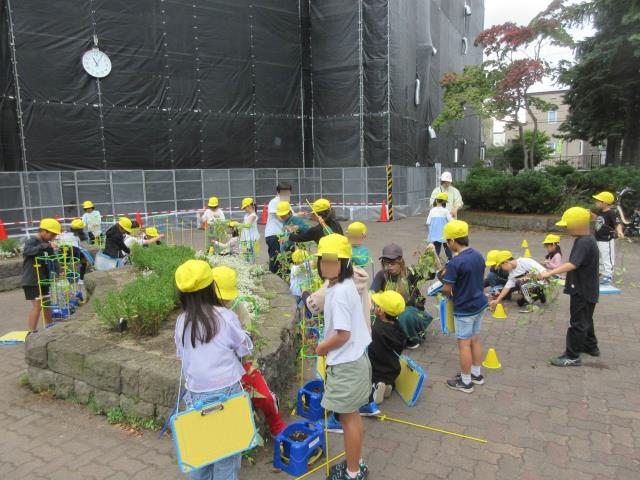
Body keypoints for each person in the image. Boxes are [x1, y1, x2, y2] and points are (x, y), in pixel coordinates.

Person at [174, 259, 253, 480]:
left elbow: (182, 355)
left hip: (196, 395)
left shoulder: (181, 321)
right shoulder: (225, 317)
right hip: (227, 393)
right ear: (212, 288)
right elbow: (243, 346)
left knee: (201, 453)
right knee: (226, 455)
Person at [314, 234, 371, 480]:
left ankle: (352, 473)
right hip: (358, 359)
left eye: (332, 261)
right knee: (353, 416)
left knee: (347, 420)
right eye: (323, 261)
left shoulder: (337, 294)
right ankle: (356, 463)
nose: (326, 266)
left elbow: (343, 334)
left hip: (346, 364)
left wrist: (322, 348)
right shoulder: (346, 285)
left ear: (345, 263)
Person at [210, 265, 287, 437]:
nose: (223, 302)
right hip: (217, 370)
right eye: (219, 298)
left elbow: (248, 337)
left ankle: (276, 423)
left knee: (264, 397)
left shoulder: (237, 307)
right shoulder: (203, 312)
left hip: (241, 363)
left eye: (226, 298)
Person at [539, 207, 600, 367]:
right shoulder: (587, 239)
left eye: (568, 225)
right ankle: (591, 347)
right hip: (588, 288)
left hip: (582, 289)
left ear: (577, 224)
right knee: (586, 318)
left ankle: (572, 356)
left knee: (578, 322)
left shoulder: (583, 242)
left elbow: (572, 264)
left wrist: (548, 273)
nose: (566, 228)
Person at [440, 220, 488, 393]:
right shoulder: (478, 255)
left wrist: (445, 294)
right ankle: (476, 374)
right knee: (475, 338)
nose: (447, 244)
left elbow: (447, 288)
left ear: (453, 241)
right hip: (480, 303)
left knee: (464, 344)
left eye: (447, 241)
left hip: (465, 308)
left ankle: (466, 382)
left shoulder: (455, 263)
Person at [370, 244, 431, 348]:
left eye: (393, 264)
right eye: (386, 264)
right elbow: (371, 291)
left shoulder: (410, 273)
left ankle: (413, 338)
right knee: (374, 313)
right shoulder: (382, 274)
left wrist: (431, 254)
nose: (389, 267)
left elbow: (432, 273)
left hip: (409, 310)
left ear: (400, 262)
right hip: (391, 311)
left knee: (405, 315)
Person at [367, 291, 407, 407]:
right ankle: (388, 386)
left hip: (377, 369)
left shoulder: (376, 330)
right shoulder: (397, 325)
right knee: (388, 380)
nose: (375, 306)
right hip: (393, 369)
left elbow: (373, 350)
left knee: (369, 378)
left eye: (377, 305)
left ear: (381, 311)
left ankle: (376, 389)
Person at [22, 218, 60, 332]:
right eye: (52, 235)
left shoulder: (46, 244)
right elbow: (28, 251)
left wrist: (59, 270)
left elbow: (53, 258)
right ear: (44, 231)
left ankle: (50, 325)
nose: (53, 238)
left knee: (46, 303)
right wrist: (45, 246)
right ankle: (31, 332)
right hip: (32, 280)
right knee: (38, 305)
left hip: (43, 278)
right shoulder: (32, 241)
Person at [592, 191, 624, 284]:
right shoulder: (601, 212)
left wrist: (619, 232)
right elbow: (599, 219)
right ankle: (601, 272)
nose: (596, 202)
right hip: (598, 238)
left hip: (607, 239)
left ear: (605, 203)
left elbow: (617, 224)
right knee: (600, 256)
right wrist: (591, 214)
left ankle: (608, 275)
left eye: (598, 200)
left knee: (607, 257)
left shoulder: (611, 213)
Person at [265, 182, 294, 273]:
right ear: (279, 192)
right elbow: (279, 216)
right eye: (285, 193)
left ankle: (282, 278)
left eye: (289, 192)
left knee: (283, 258)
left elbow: (292, 216)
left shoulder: (285, 203)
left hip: (282, 235)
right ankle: (273, 280)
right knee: (275, 258)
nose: (288, 195)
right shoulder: (275, 201)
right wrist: (289, 224)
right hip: (274, 234)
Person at [426, 192, 453, 260]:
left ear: (436, 200)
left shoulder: (432, 210)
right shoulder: (445, 211)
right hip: (445, 234)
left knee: (436, 251)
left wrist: (431, 233)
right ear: (444, 202)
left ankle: (435, 265)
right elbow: (451, 221)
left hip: (435, 235)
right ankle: (449, 262)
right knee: (448, 250)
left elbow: (428, 222)